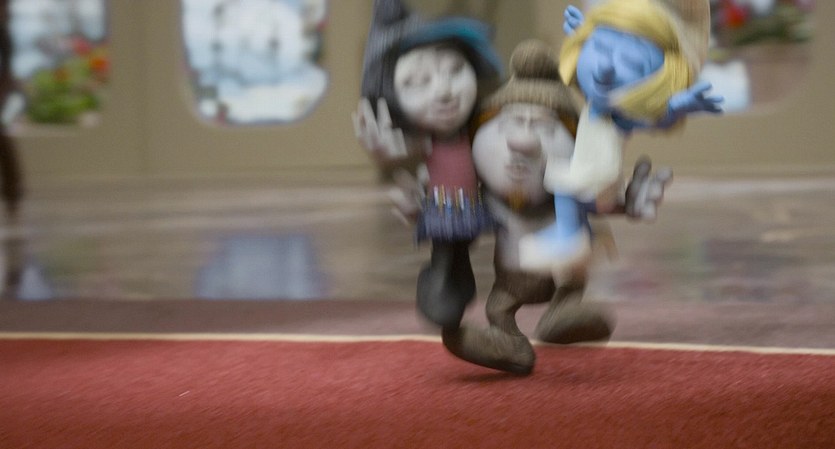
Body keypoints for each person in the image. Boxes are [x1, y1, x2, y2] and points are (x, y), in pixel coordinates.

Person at [442, 40, 673, 375]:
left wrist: (628, 201)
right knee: (499, 307)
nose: (522, 142)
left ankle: (563, 311)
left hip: (561, 274)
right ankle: (509, 343)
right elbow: (456, 221)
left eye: (545, 128)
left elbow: (599, 201)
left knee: (569, 269)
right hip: (510, 279)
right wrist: (430, 211)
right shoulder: (489, 200)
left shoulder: (567, 192)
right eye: (510, 124)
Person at [518, 0, 722, 274]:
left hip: (598, 178)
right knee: (565, 190)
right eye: (600, 47)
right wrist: (583, 33)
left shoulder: (619, 114)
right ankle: (585, 234)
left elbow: (653, 121)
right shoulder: (596, 103)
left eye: (631, 63)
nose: (605, 67)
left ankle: (568, 239)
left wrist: (675, 107)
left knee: (564, 189)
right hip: (591, 174)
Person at [352, 0, 502, 328]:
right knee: (447, 250)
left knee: (464, 248)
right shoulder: (425, 141)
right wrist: (385, 153)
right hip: (441, 209)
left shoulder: (477, 131)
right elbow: (401, 157)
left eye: (455, 71)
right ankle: (441, 285)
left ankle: (461, 284)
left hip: (473, 207)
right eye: (420, 81)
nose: (444, 91)